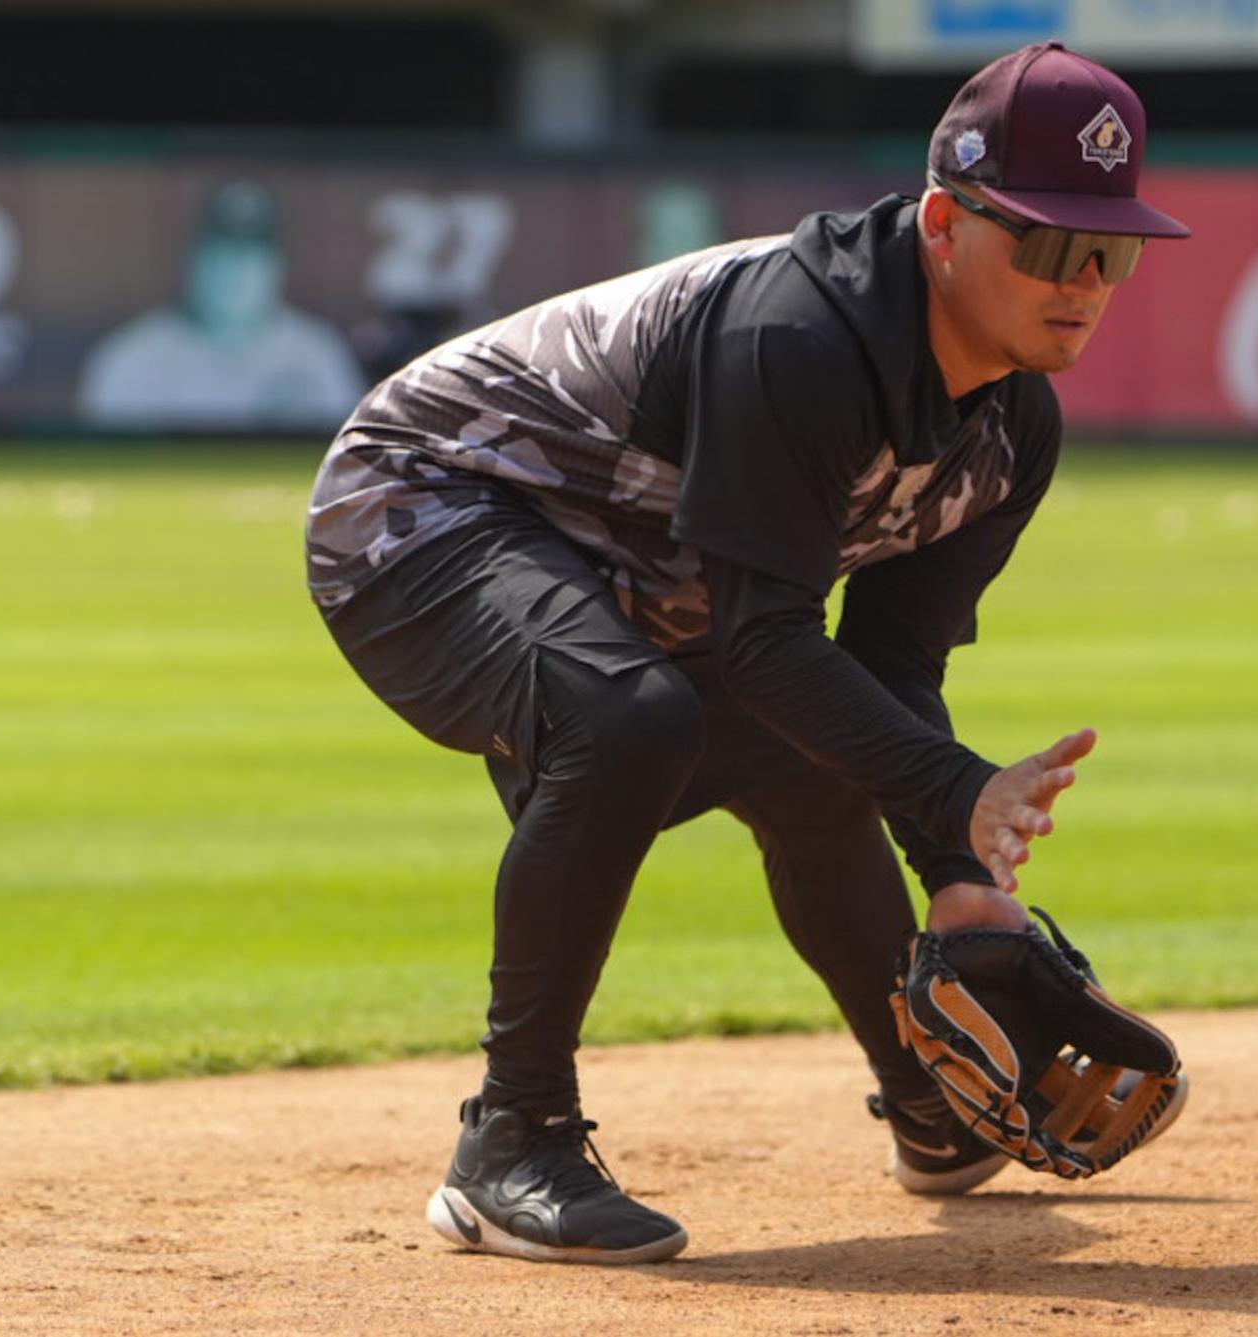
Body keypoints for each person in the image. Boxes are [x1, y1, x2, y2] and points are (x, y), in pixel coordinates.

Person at [303, 41, 1189, 1266]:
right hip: (427, 505)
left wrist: (957, 870)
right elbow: (766, 639)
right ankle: (510, 1140)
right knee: (630, 719)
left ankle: (927, 1109)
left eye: (1114, 249)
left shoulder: (1012, 428)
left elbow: (884, 662)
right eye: (1045, 241)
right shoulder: (801, 337)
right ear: (943, 221)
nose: (1083, 280)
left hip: (635, 556)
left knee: (820, 750)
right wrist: (951, 789)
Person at [80, 180, 364, 431]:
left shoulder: (319, 355)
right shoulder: (130, 359)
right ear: (193, 260)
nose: (236, 271)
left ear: (277, 266)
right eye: (222, 252)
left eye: (250, 255)